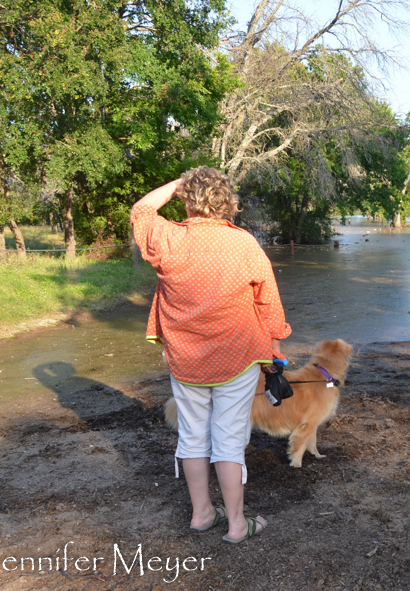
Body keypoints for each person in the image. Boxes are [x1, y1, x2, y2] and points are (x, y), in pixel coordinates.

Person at [130, 167, 291, 543]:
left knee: (192, 437)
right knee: (229, 440)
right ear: (227, 201)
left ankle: (202, 513)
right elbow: (268, 300)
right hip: (238, 356)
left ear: (186, 198)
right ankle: (237, 524)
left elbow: (141, 210)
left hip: (186, 360)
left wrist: (176, 185)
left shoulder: (167, 239)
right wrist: (276, 348)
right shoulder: (244, 244)